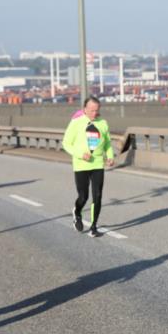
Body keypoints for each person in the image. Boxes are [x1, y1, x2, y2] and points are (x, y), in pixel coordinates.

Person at [62, 96, 114, 237]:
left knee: (97, 196)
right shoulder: (76, 123)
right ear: (84, 109)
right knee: (83, 196)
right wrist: (80, 154)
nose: (94, 113)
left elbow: (108, 143)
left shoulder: (103, 123)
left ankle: (93, 227)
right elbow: (66, 143)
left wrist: (110, 156)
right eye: (91, 110)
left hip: (97, 164)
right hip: (81, 165)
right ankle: (77, 212)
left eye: (96, 110)